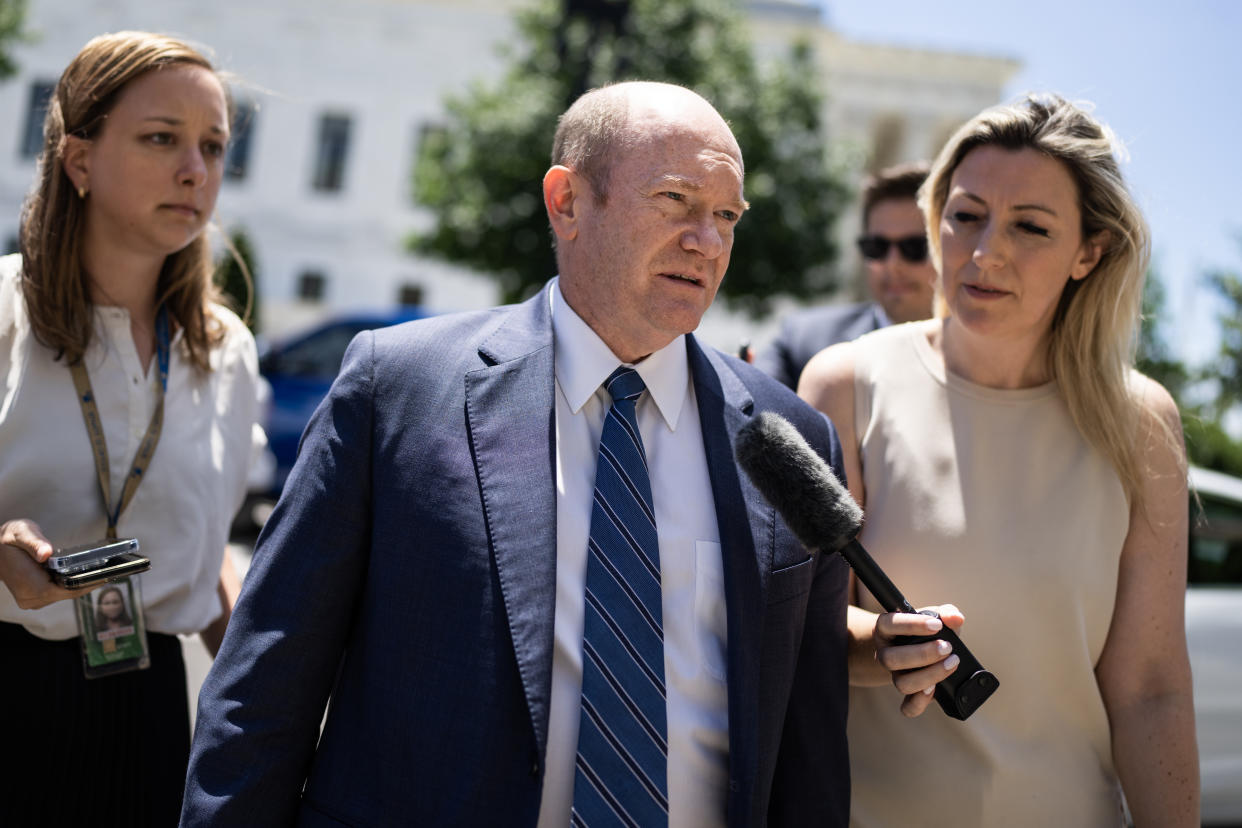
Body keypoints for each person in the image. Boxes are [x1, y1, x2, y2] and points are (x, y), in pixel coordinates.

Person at [183, 82, 854, 826]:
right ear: (567, 201)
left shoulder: (788, 437)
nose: (709, 240)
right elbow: (264, 684)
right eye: (675, 201)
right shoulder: (397, 387)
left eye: (726, 215)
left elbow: (808, 748)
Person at [798, 94, 1198, 826]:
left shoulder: (1142, 422)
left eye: (1030, 227)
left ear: (1090, 252)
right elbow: (799, 633)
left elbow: (1149, 689)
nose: (985, 253)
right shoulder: (846, 385)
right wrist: (878, 645)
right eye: (966, 215)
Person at [0, 31, 265, 828]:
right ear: (79, 161)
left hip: (146, 707)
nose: (196, 170)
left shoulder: (225, 351)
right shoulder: (5, 313)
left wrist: (278, 684)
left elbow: (212, 545)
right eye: (162, 139)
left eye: (213, 146)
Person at [757, 161, 936, 389]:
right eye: (877, 247)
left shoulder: (987, 356)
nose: (892, 264)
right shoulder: (802, 342)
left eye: (914, 247)